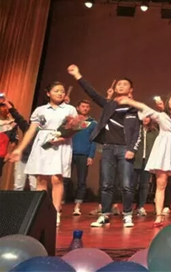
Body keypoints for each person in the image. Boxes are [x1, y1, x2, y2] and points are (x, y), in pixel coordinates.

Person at [67, 65, 141, 228]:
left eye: (124, 84)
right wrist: (77, 75)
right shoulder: (109, 105)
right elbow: (92, 93)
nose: (120, 86)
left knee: (126, 185)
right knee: (106, 184)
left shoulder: (135, 108)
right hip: (108, 148)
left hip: (125, 149)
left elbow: (137, 131)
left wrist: (132, 149)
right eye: (119, 84)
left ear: (130, 90)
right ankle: (105, 214)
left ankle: (127, 214)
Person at [119, 94, 171, 226]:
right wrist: (130, 101)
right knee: (161, 184)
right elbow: (145, 108)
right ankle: (159, 215)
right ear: (168, 103)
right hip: (163, 149)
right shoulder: (161, 116)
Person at [9, 82, 77, 226]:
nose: (60, 93)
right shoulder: (40, 110)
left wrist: (63, 137)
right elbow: (31, 130)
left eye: (62, 91)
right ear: (48, 93)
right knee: (41, 180)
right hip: (42, 143)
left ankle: (55, 212)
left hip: (61, 145)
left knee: (57, 179)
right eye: (56, 91)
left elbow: (74, 128)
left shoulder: (69, 109)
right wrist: (20, 149)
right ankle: (43, 211)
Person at [71, 100, 97, 216]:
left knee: (81, 181)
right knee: (64, 179)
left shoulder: (93, 123)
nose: (85, 108)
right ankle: (59, 205)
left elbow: (94, 141)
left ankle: (77, 206)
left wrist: (91, 156)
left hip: (84, 154)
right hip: (69, 153)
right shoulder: (72, 121)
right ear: (78, 108)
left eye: (87, 107)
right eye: (83, 106)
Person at [133, 116, 159, 216]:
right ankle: (128, 207)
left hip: (148, 161)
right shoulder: (135, 129)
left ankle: (141, 206)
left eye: (147, 117)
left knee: (144, 185)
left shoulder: (154, 131)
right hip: (135, 160)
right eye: (143, 116)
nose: (145, 119)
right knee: (132, 185)